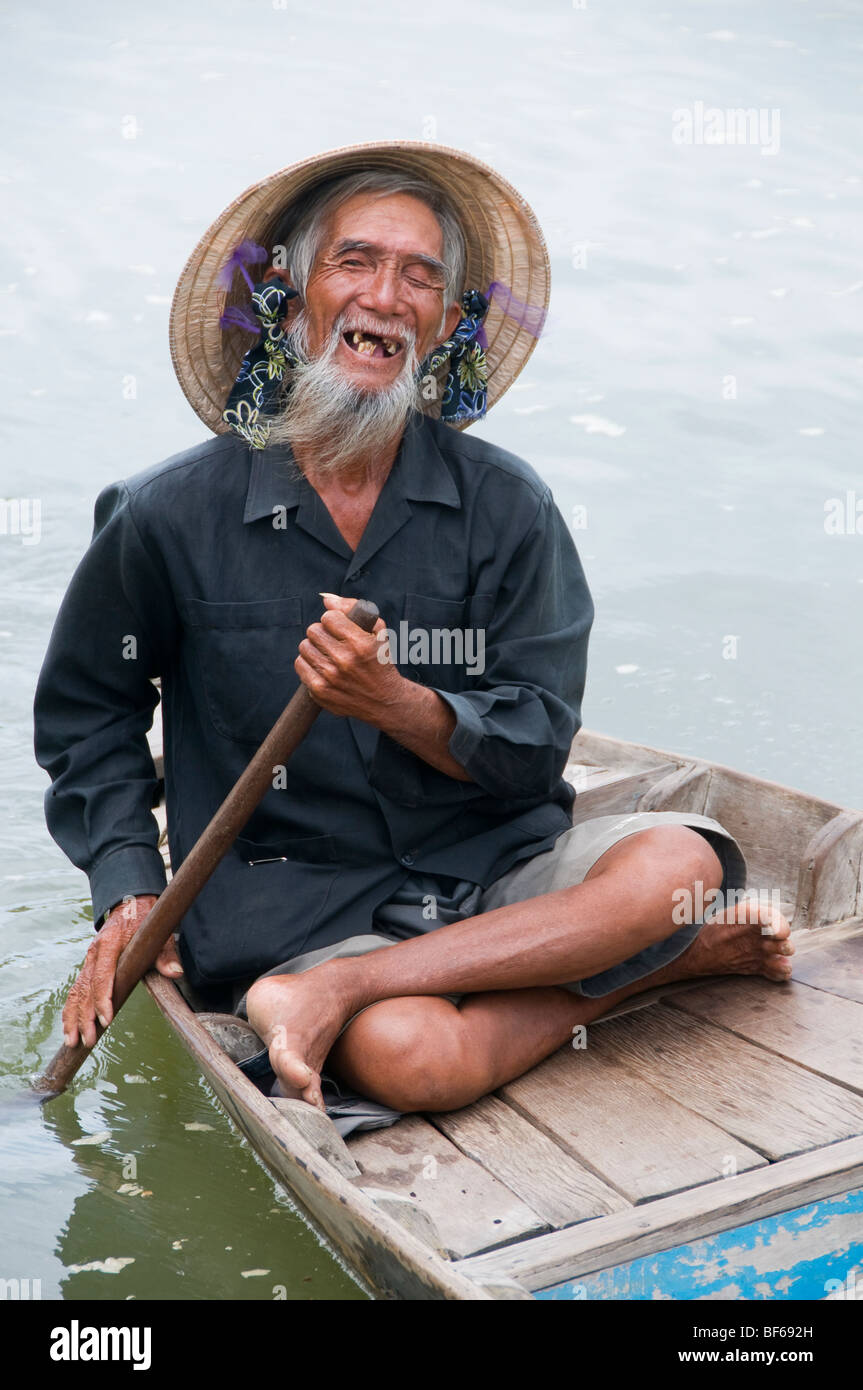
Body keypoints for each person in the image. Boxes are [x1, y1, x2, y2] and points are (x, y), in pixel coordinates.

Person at [34, 141, 793, 1137]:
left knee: (682, 868)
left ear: (440, 324)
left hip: (492, 873)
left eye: (420, 275)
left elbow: (532, 752)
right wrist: (129, 885)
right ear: (296, 297)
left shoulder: (508, 506)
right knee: (410, 1054)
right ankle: (619, 978)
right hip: (283, 900)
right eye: (355, 261)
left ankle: (360, 984)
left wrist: (397, 702)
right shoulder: (164, 513)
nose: (385, 294)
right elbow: (92, 717)